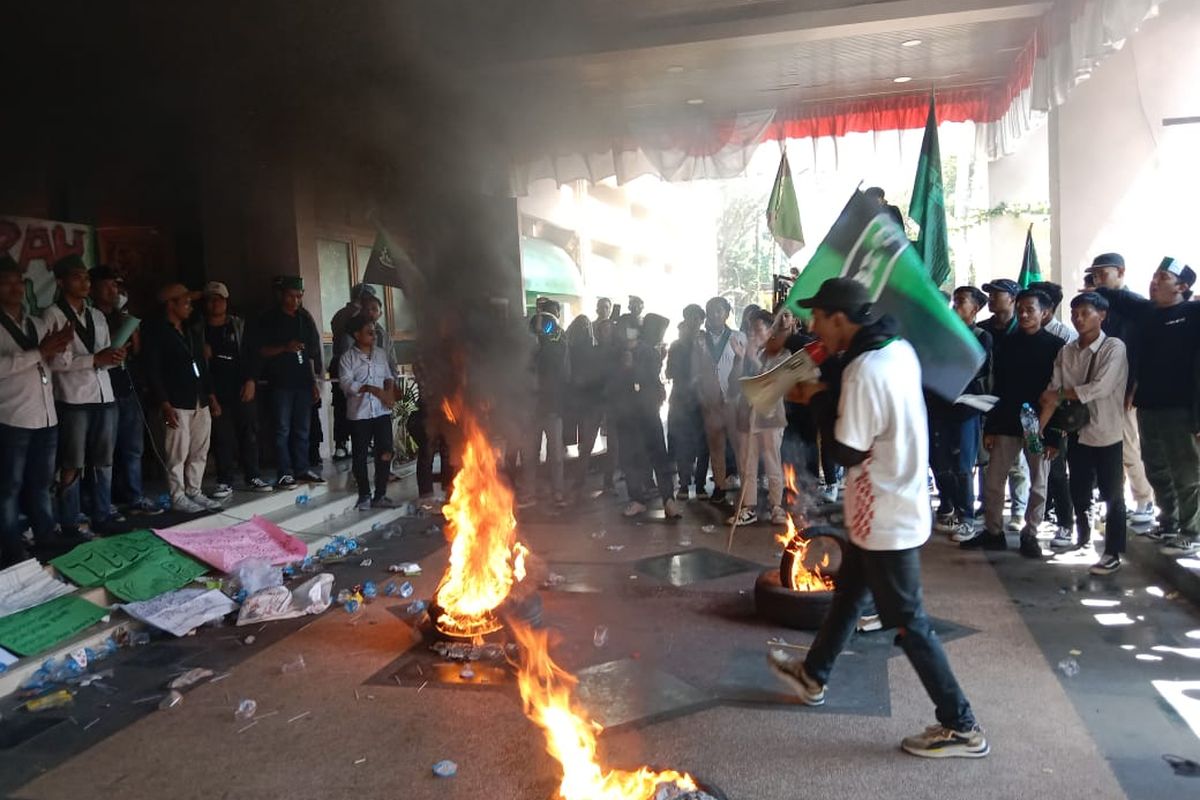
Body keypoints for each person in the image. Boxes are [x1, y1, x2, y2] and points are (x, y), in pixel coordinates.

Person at [769, 277, 987, 759]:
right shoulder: (896, 347)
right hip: (886, 502)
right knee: (849, 596)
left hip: (886, 513)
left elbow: (848, 449)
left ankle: (961, 725)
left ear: (840, 320)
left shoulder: (866, 369)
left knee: (908, 621)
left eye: (819, 319)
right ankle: (813, 675)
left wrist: (817, 398)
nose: (813, 326)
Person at [1096, 258, 1200, 555]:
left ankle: (1192, 532)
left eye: (1163, 277)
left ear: (1182, 287)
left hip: (1181, 409)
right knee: (1155, 468)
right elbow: (1119, 296)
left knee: (1186, 472)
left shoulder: (1194, 314)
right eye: (1154, 275)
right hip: (1148, 405)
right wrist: (1101, 282)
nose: (1154, 281)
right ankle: (1169, 522)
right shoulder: (1147, 312)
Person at [960, 289, 1064, 557]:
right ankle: (994, 532)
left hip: (1036, 424)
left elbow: (1059, 393)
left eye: (1031, 309)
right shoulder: (1005, 343)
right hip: (1006, 420)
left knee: (1038, 483)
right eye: (1021, 310)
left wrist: (1052, 435)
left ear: (1044, 313)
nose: (1025, 314)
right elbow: (998, 386)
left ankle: (1031, 534)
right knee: (994, 481)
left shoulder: (1055, 346)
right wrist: (991, 427)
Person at [1039, 292, 1128, 573]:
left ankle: (1113, 551)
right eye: (1075, 313)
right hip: (1076, 431)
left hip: (1106, 431)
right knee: (1078, 488)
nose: (1078, 318)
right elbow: (1053, 388)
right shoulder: (1067, 351)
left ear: (1101, 316)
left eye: (1085, 313)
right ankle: (1085, 539)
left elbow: (1100, 387)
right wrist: (1042, 430)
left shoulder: (1113, 347)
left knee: (1112, 494)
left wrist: (1060, 394)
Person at [42, 255, 127, 537]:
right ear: (60, 281)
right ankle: (70, 521)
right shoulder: (52, 315)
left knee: (104, 460)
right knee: (72, 462)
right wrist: (95, 359)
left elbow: (102, 354)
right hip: (73, 398)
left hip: (104, 394)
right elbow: (54, 361)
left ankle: (102, 514)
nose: (85, 282)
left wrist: (115, 356)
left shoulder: (96, 315)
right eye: (77, 277)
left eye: (86, 277)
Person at [0, 257, 74, 565]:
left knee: (41, 483)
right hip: (11, 417)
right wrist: (40, 351)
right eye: (7, 282)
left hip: (46, 416)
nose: (16, 288)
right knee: (8, 487)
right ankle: (10, 546)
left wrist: (62, 347)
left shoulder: (36, 322)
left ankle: (45, 537)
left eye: (19, 281)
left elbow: (58, 365)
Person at [1085, 253, 1155, 524]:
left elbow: (1140, 350)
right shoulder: (1103, 305)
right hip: (1103, 386)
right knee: (1109, 449)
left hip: (1127, 387)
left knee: (1127, 445)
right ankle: (1119, 501)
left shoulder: (1135, 306)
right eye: (1096, 275)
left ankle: (1144, 499)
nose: (1099, 280)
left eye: (1104, 274)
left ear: (1121, 272)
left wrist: (1133, 385)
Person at [142, 284, 222, 513]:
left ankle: (194, 491)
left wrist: (211, 396)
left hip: (199, 398)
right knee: (177, 452)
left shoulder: (190, 329)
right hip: (176, 400)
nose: (190, 306)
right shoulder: (157, 332)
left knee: (199, 449)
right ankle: (177, 495)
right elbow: (153, 371)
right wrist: (164, 403)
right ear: (171, 305)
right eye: (185, 302)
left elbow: (202, 366)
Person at [89, 265, 160, 517]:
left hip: (126, 385)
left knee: (132, 447)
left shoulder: (121, 314)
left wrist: (133, 334)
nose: (112, 290)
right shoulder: (89, 316)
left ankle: (134, 495)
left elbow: (137, 352)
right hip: (100, 390)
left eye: (115, 285)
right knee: (103, 453)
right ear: (93, 287)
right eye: (107, 285)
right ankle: (104, 502)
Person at [198, 281, 272, 495]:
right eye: (210, 299)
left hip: (242, 388)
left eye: (219, 299)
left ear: (226, 301)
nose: (215, 304)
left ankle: (253, 475)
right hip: (216, 391)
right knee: (222, 437)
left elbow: (253, 355)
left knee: (249, 433)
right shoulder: (198, 330)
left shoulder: (239, 326)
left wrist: (251, 381)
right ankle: (225, 480)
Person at [930, 287, 993, 541]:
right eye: (954, 302)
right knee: (940, 462)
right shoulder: (942, 334)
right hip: (940, 406)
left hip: (967, 409)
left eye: (961, 302)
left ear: (975, 309)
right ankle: (949, 506)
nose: (955, 307)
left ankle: (967, 517)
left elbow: (975, 368)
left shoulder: (981, 336)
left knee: (964, 466)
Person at [251, 275, 324, 489]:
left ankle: (301, 468)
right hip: (280, 382)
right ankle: (284, 471)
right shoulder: (269, 319)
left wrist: (314, 382)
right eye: (291, 296)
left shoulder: (304, 318)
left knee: (302, 428)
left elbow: (311, 353)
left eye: (299, 297)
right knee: (282, 429)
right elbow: (260, 350)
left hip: (302, 382)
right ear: (282, 295)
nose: (295, 301)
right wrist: (284, 347)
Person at [610, 314, 680, 518]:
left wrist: (633, 368)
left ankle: (668, 499)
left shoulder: (648, 351)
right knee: (629, 458)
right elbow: (610, 382)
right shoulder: (616, 353)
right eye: (622, 329)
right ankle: (637, 499)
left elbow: (652, 376)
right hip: (625, 413)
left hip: (647, 411)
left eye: (629, 328)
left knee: (659, 454)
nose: (626, 333)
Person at [728, 308, 788, 526]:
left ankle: (776, 506)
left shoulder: (781, 353)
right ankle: (749, 507)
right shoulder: (744, 353)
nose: (752, 335)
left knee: (772, 460)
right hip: (746, 416)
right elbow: (732, 387)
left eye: (757, 330)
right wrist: (739, 360)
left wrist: (753, 359)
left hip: (770, 418)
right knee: (747, 462)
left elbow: (774, 383)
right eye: (750, 330)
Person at [978, 278, 1028, 529]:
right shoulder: (982, 329)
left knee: (1017, 464)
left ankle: (1019, 511)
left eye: (997, 294)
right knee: (987, 458)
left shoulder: (1022, 329)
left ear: (1012, 298)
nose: (991, 298)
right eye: (990, 294)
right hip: (986, 400)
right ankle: (986, 507)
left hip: (1016, 403)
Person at [338, 314, 400, 511]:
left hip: (381, 412)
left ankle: (380, 494)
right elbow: (347, 385)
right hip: (360, 414)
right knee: (360, 456)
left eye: (374, 332)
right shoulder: (347, 358)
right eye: (369, 332)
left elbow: (388, 376)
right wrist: (371, 389)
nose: (374, 336)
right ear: (357, 335)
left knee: (385, 452)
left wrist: (389, 391)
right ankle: (364, 494)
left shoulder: (381, 354)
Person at [694, 296, 747, 504]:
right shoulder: (700, 340)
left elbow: (747, 367)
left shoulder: (739, 336)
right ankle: (719, 486)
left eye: (719, 310)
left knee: (739, 445)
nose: (715, 314)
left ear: (727, 313)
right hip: (711, 401)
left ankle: (746, 486)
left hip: (734, 400)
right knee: (716, 445)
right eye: (711, 310)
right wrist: (701, 396)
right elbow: (695, 371)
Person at [520, 307, 569, 507]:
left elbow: (555, 360)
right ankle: (530, 492)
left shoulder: (559, 342)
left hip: (552, 409)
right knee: (530, 454)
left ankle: (557, 491)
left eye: (548, 324)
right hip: (533, 410)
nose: (543, 328)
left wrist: (543, 336)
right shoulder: (528, 347)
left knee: (556, 455)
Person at [329, 283, 377, 461]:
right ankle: (342, 443)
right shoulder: (347, 315)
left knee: (361, 404)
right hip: (347, 363)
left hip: (359, 364)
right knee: (343, 405)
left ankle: (361, 441)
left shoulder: (350, 315)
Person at [666, 304, 708, 500]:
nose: (694, 321)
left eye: (697, 318)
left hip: (703, 399)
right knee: (684, 442)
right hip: (682, 400)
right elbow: (669, 372)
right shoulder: (676, 345)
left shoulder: (706, 341)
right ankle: (684, 484)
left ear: (702, 320)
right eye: (690, 317)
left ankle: (700, 485)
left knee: (703, 443)